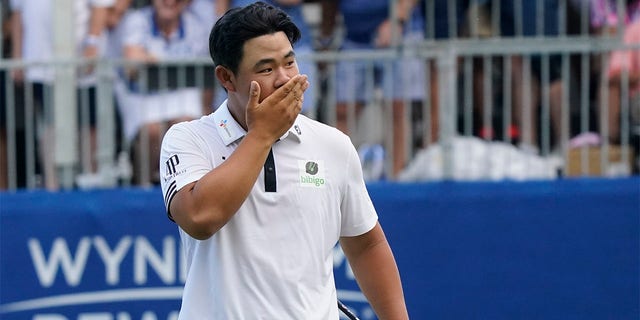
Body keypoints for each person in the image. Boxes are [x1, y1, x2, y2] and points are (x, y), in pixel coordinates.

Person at [159, 2, 409, 319]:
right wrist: (261, 135)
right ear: (226, 78)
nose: (284, 79)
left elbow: (366, 245)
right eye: (265, 69)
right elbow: (200, 218)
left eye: (289, 63)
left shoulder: (333, 145)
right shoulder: (187, 139)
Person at [10, 0, 116, 189]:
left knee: (88, 126)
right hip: (40, 61)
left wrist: (92, 43)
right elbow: (18, 13)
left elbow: (101, 5)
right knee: (50, 126)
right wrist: (18, 56)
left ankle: (92, 183)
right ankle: (53, 186)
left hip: (82, 63)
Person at [319, 0, 423, 177]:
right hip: (354, 39)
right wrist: (325, 40)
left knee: (397, 108)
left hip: (400, 36)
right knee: (343, 110)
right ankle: (338, 176)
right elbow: (329, 6)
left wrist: (397, 20)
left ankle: (396, 178)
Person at [115, 0, 210, 185]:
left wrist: (154, 62)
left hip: (181, 96)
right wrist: (147, 60)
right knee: (151, 131)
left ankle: (184, 184)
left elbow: (203, 72)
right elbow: (131, 65)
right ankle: (144, 185)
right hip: (141, 97)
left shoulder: (195, 25)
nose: (169, 2)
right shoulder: (137, 20)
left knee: (185, 125)